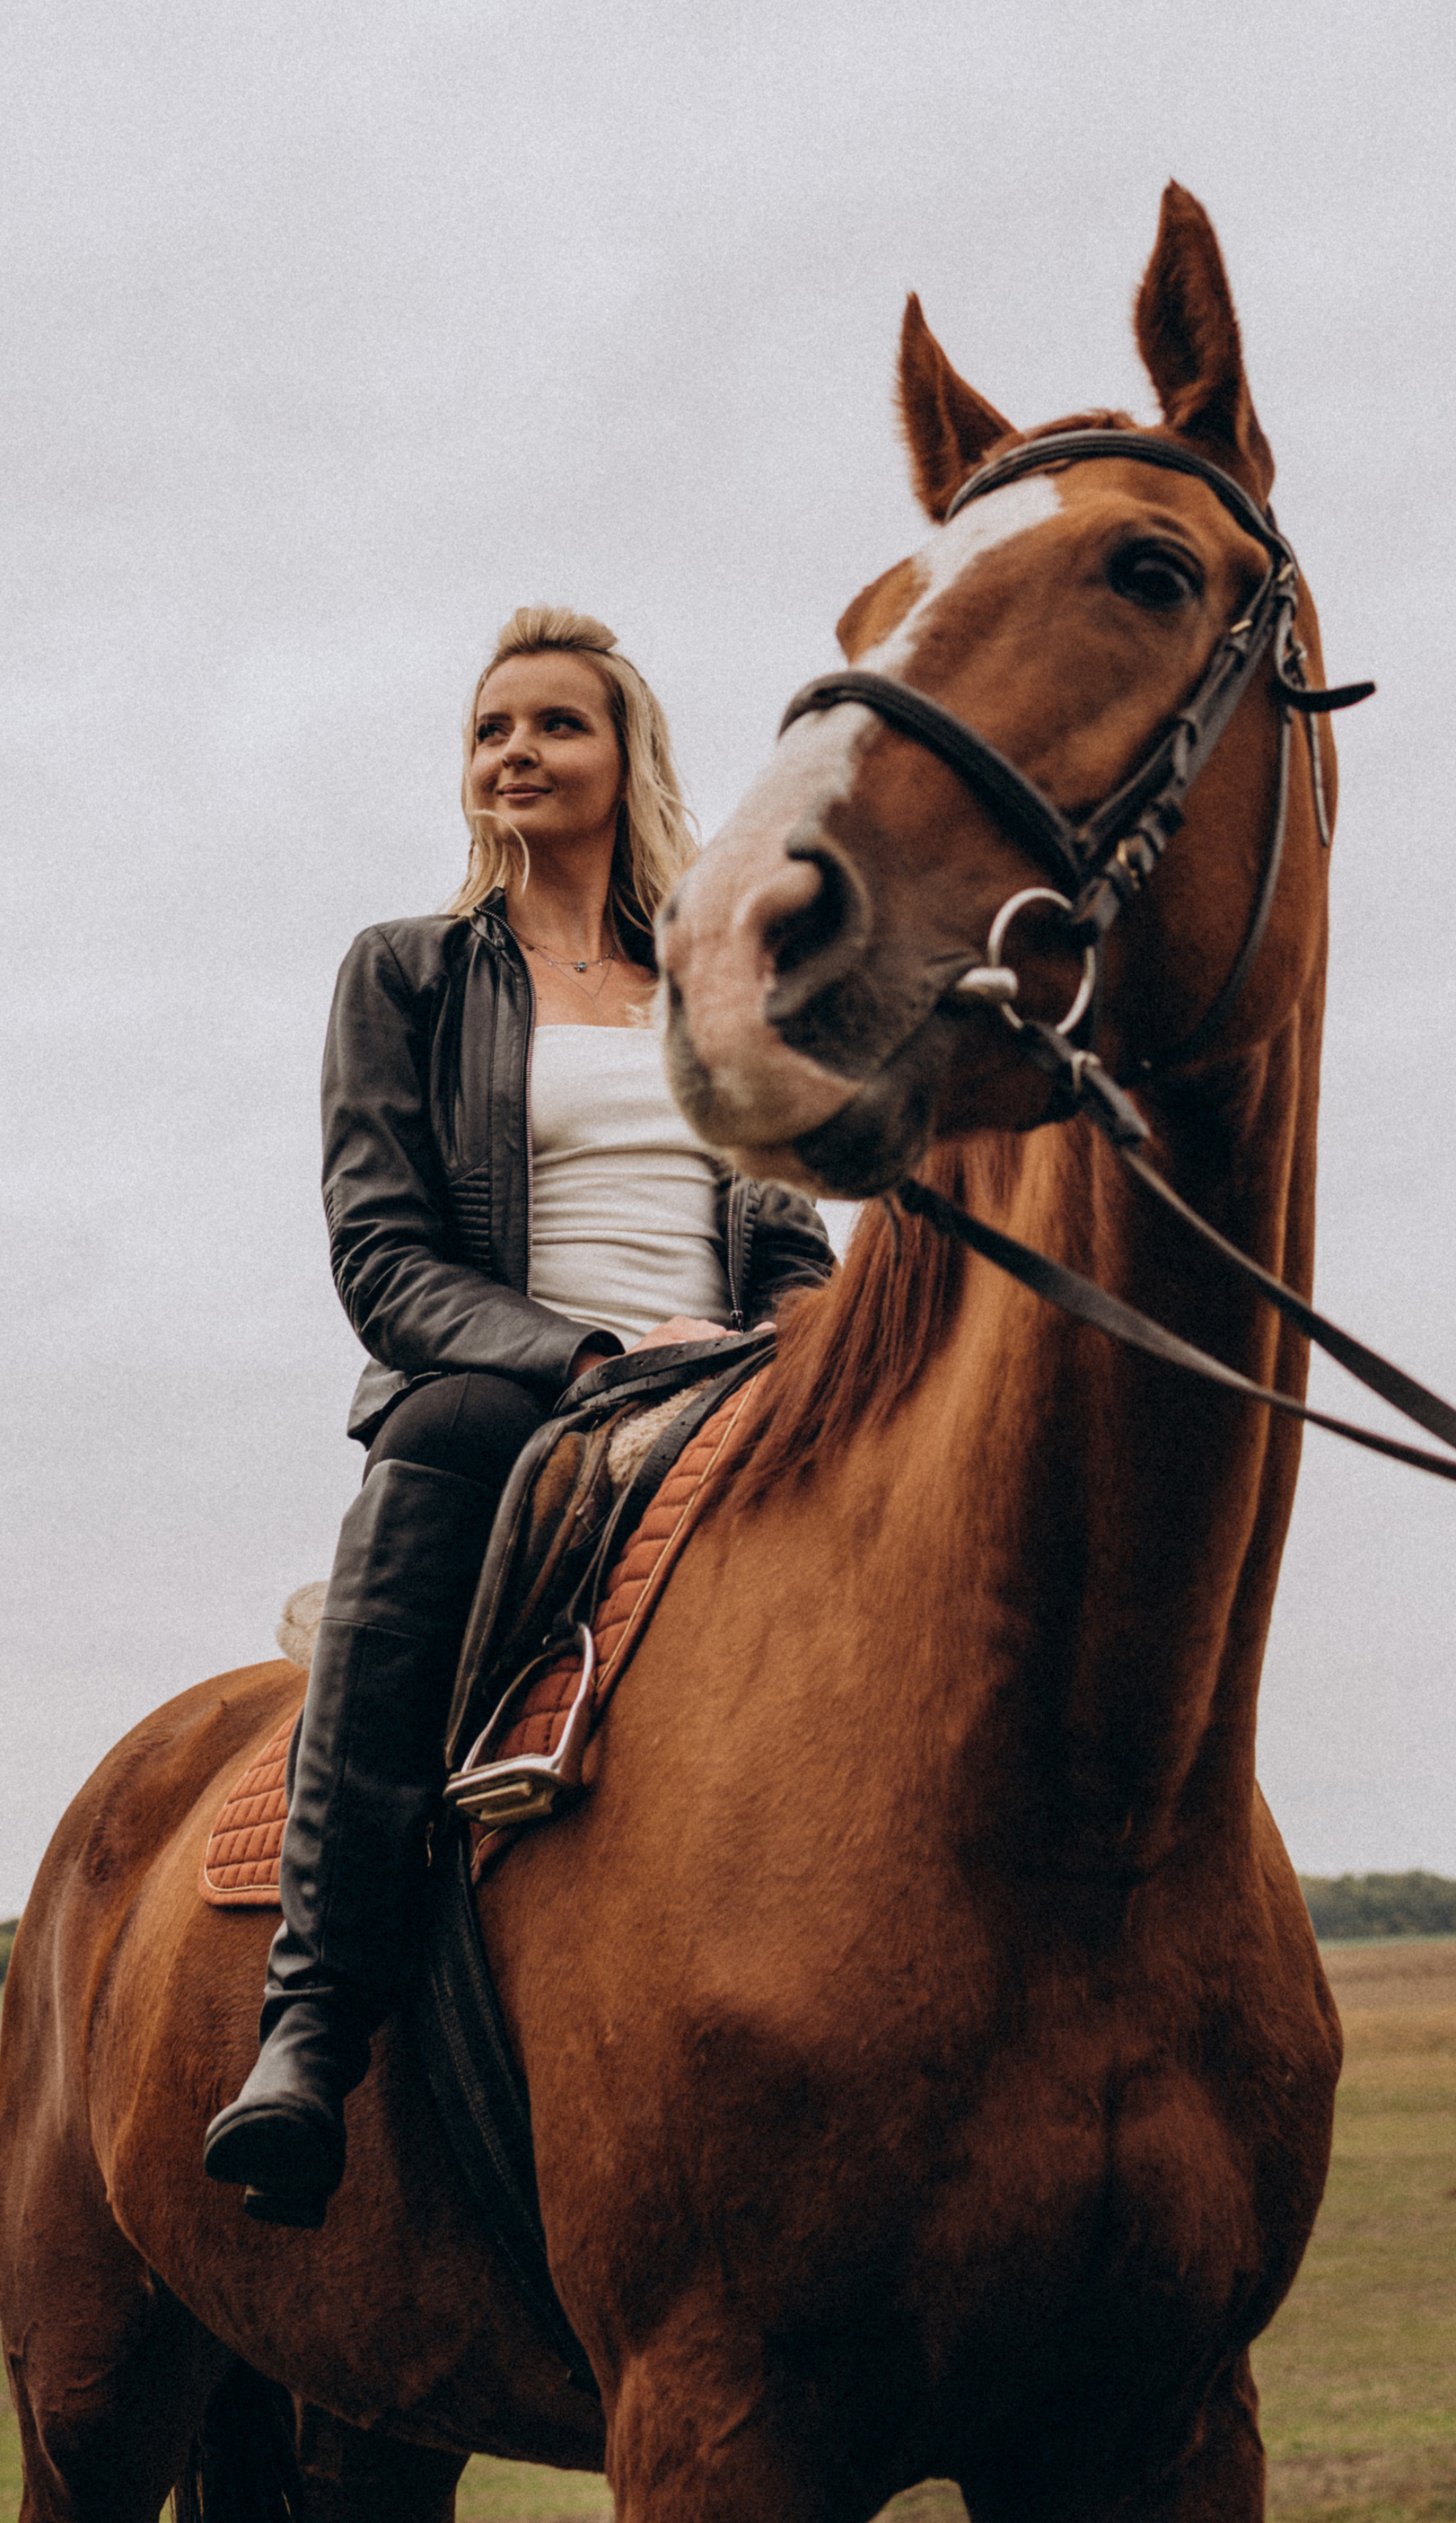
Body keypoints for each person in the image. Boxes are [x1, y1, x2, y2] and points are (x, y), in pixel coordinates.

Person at [203, 603, 837, 2227]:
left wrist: (796, 1336)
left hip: (737, 1372)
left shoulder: (716, 974)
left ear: (625, 755)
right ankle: (312, 2022)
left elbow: (788, 1221)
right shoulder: (408, 975)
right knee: (427, 1450)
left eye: (554, 724)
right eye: (493, 730)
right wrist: (584, 1354)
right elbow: (382, 1257)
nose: (516, 754)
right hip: (514, 1384)